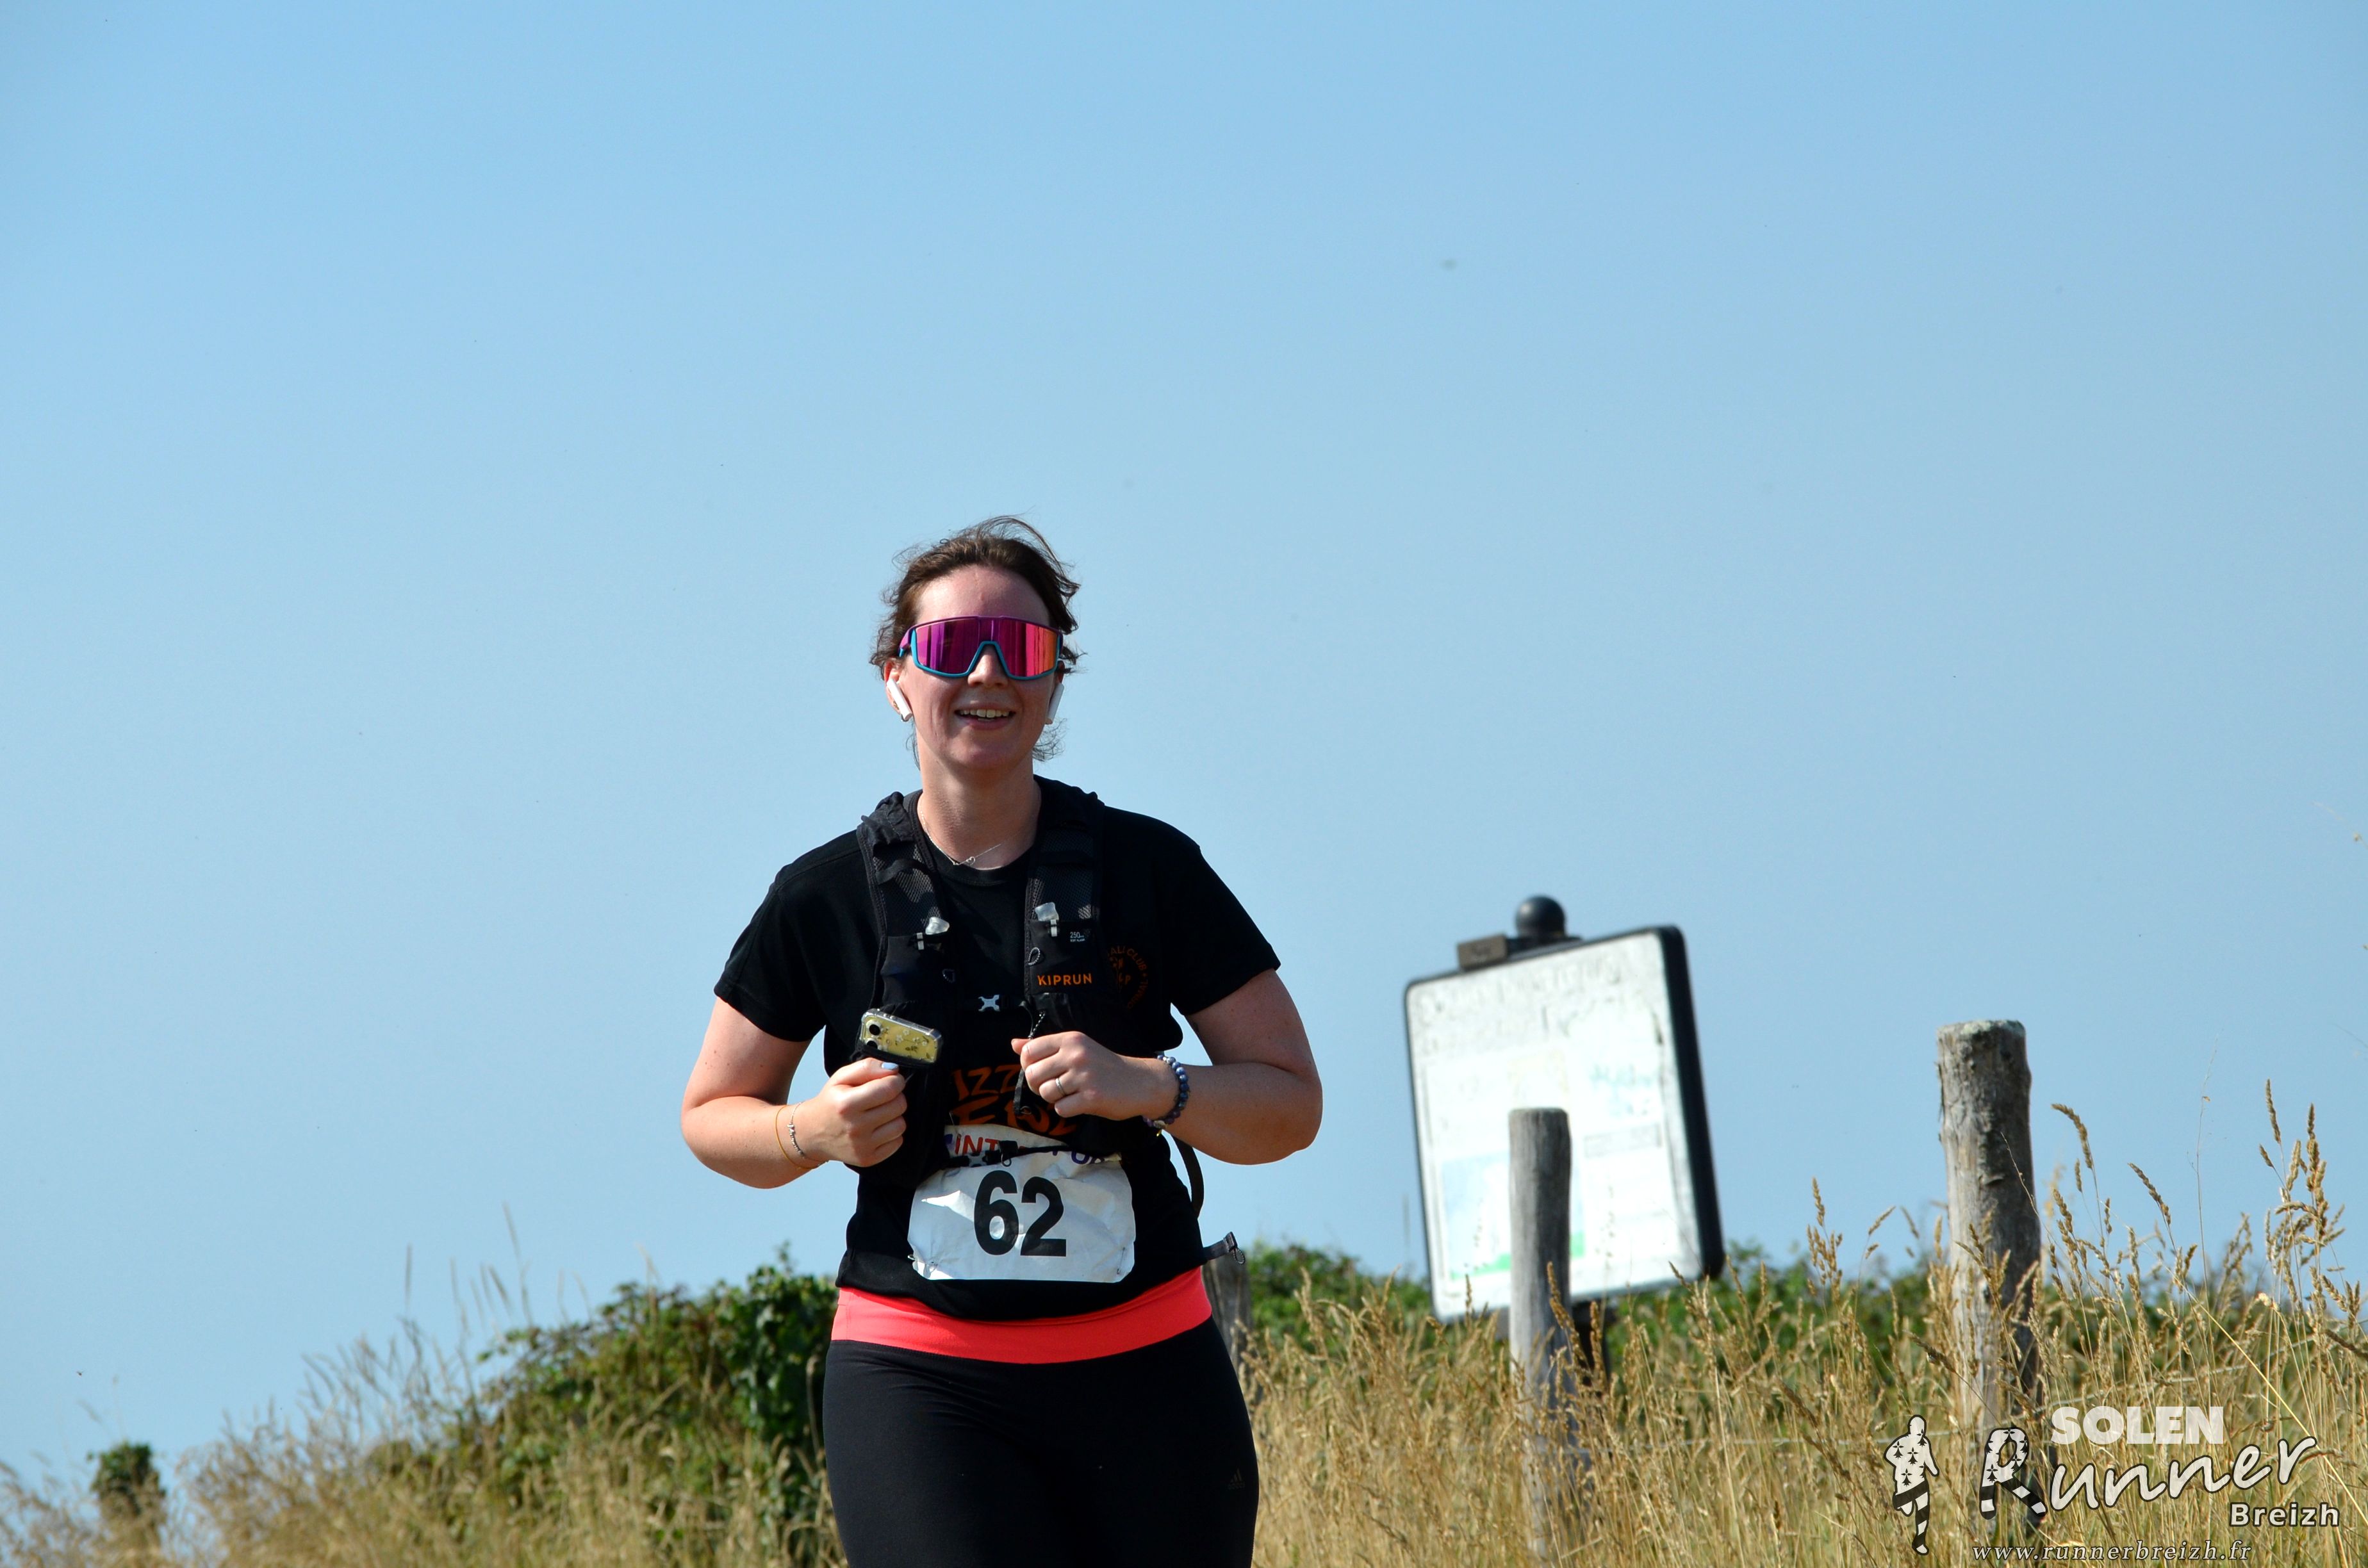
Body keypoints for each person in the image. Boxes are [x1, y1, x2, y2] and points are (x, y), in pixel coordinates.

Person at [680, 518, 1322, 1568]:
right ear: (897, 678)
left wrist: (1150, 1086)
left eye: (1021, 648)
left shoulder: (1151, 869)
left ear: (1055, 680)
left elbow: (1291, 1104)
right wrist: (814, 1130)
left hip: (1149, 1368)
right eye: (950, 647)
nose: (986, 672)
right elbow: (711, 1117)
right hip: (919, 1376)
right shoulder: (822, 896)